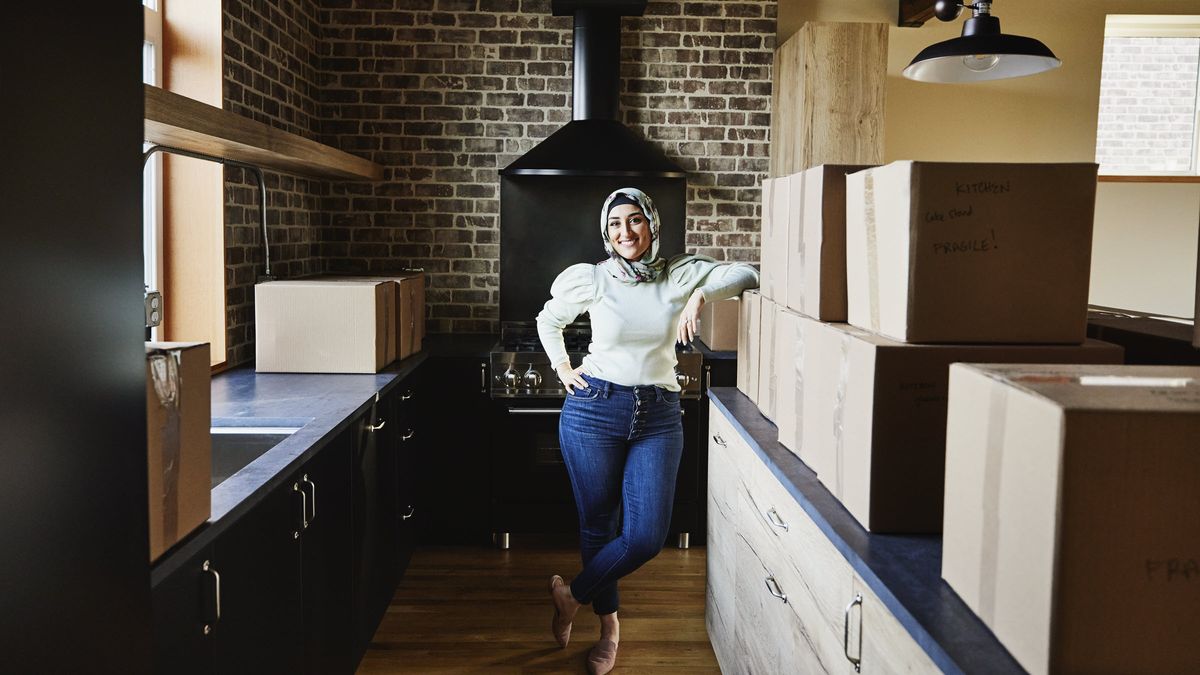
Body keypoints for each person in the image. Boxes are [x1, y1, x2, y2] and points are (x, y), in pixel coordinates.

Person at [536, 187, 759, 674]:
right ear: (606, 231)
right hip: (594, 408)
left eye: (634, 221)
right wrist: (562, 366)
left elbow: (748, 273)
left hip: (658, 414)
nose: (625, 232)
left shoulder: (679, 274)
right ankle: (609, 630)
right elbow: (547, 319)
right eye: (615, 224)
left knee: (645, 537)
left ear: (651, 224)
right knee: (598, 524)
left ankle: (570, 597)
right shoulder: (593, 279)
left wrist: (702, 293)